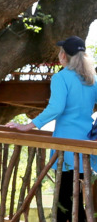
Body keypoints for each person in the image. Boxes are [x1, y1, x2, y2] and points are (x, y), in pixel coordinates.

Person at [6, 36, 97, 222]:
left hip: (66, 149)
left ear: (63, 55)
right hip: (87, 148)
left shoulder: (61, 77)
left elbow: (56, 108)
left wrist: (27, 126)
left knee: (65, 204)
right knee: (77, 202)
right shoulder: (92, 80)